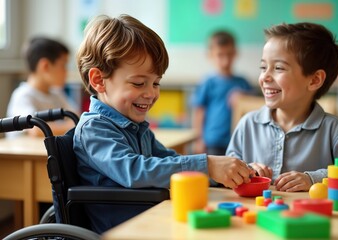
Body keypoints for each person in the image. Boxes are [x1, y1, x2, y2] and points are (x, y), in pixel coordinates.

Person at [74, 14, 255, 233]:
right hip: (125, 231)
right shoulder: (94, 129)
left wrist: (228, 173)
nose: (151, 93)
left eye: (156, 83)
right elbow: (135, 170)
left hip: (150, 220)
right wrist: (207, 165)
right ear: (99, 80)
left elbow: (169, 160)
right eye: (139, 83)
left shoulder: (136, 127)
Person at [226, 22, 338, 192]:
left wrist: (314, 179)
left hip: (312, 217)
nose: (265, 76)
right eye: (263, 67)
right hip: (257, 215)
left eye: (278, 68)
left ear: (314, 80)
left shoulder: (335, 130)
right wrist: (246, 170)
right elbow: (226, 170)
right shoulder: (247, 125)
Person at [192, 30, 254, 155]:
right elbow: (199, 111)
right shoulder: (208, 82)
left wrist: (244, 97)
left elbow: (254, 108)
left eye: (229, 54)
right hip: (213, 141)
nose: (225, 60)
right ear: (210, 55)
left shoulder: (243, 83)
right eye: (220, 55)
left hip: (237, 141)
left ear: (235, 53)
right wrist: (199, 140)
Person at [6, 37, 78, 138]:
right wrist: (74, 126)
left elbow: (75, 116)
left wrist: (74, 124)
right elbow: (36, 130)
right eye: (63, 65)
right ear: (45, 66)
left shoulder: (56, 93)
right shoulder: (23, 95)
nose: (66, 72)